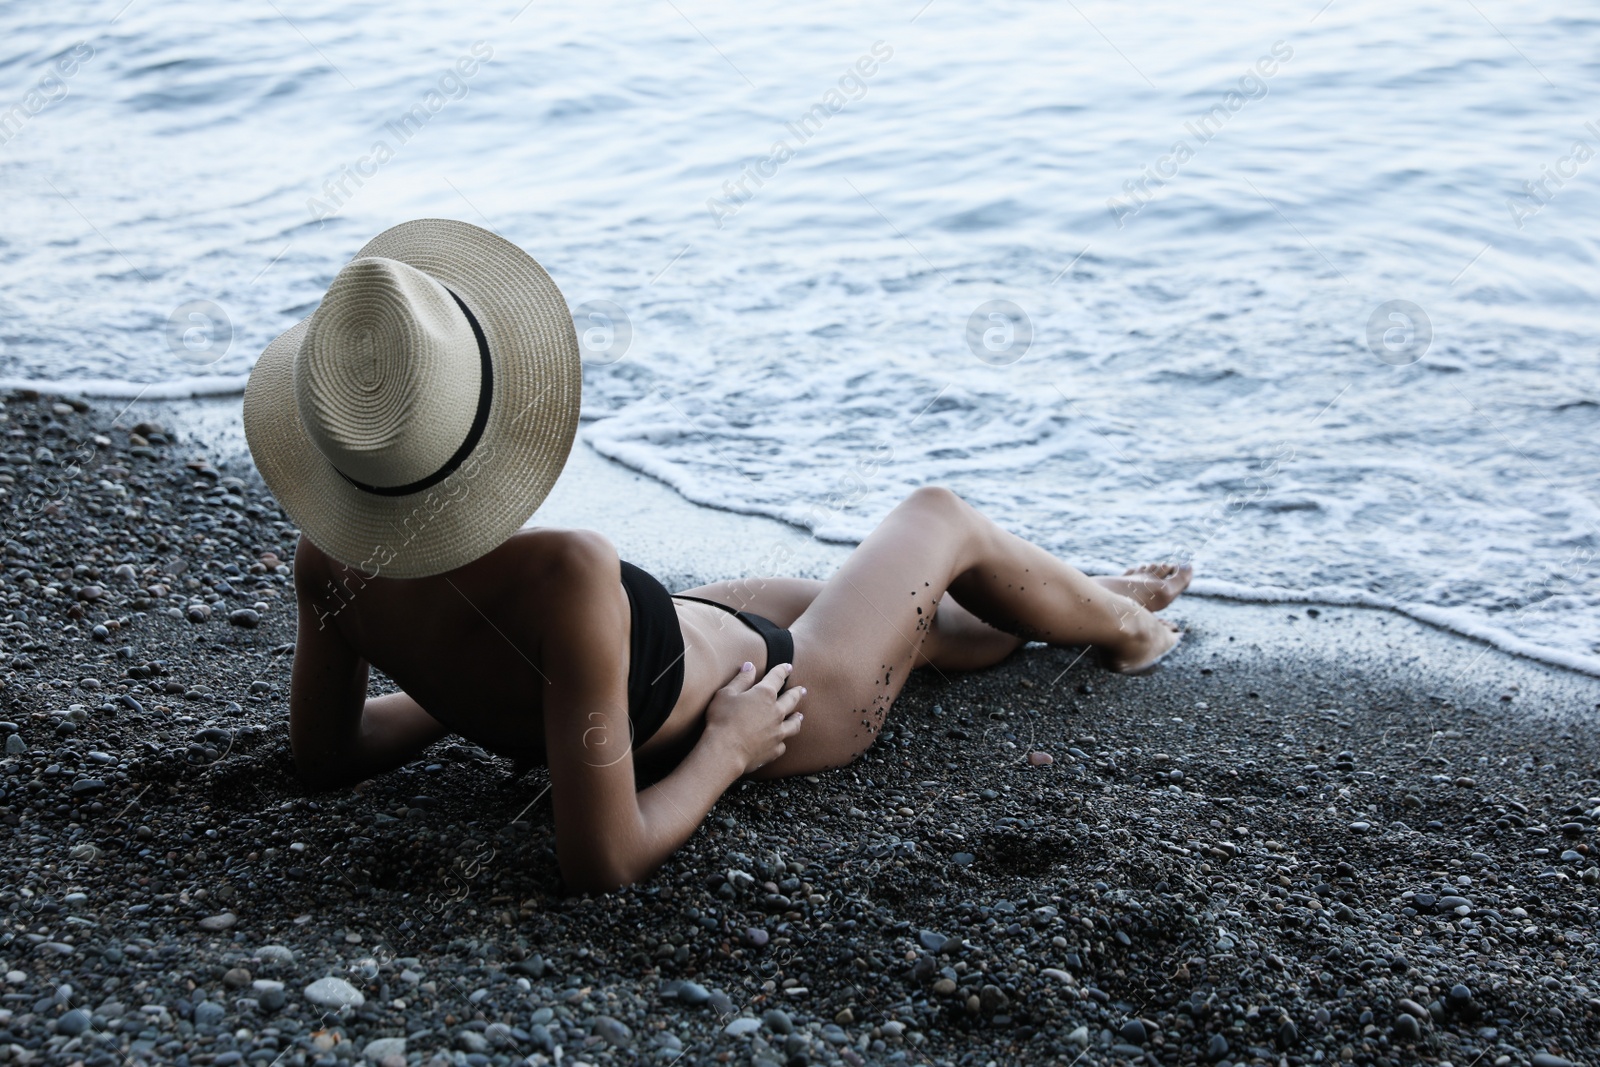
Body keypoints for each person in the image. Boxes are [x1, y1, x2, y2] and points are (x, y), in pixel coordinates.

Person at [244, 219, 1190, 894]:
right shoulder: (567, 572)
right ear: (489, 419)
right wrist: (729, 752)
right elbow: (600, 859)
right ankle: (1130, 632)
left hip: (664, 654)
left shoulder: (331, 563)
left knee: (894, 616)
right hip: (785, 695)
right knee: (938, 519)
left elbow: (328, 754)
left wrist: (468, 694)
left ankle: (1067, 596)